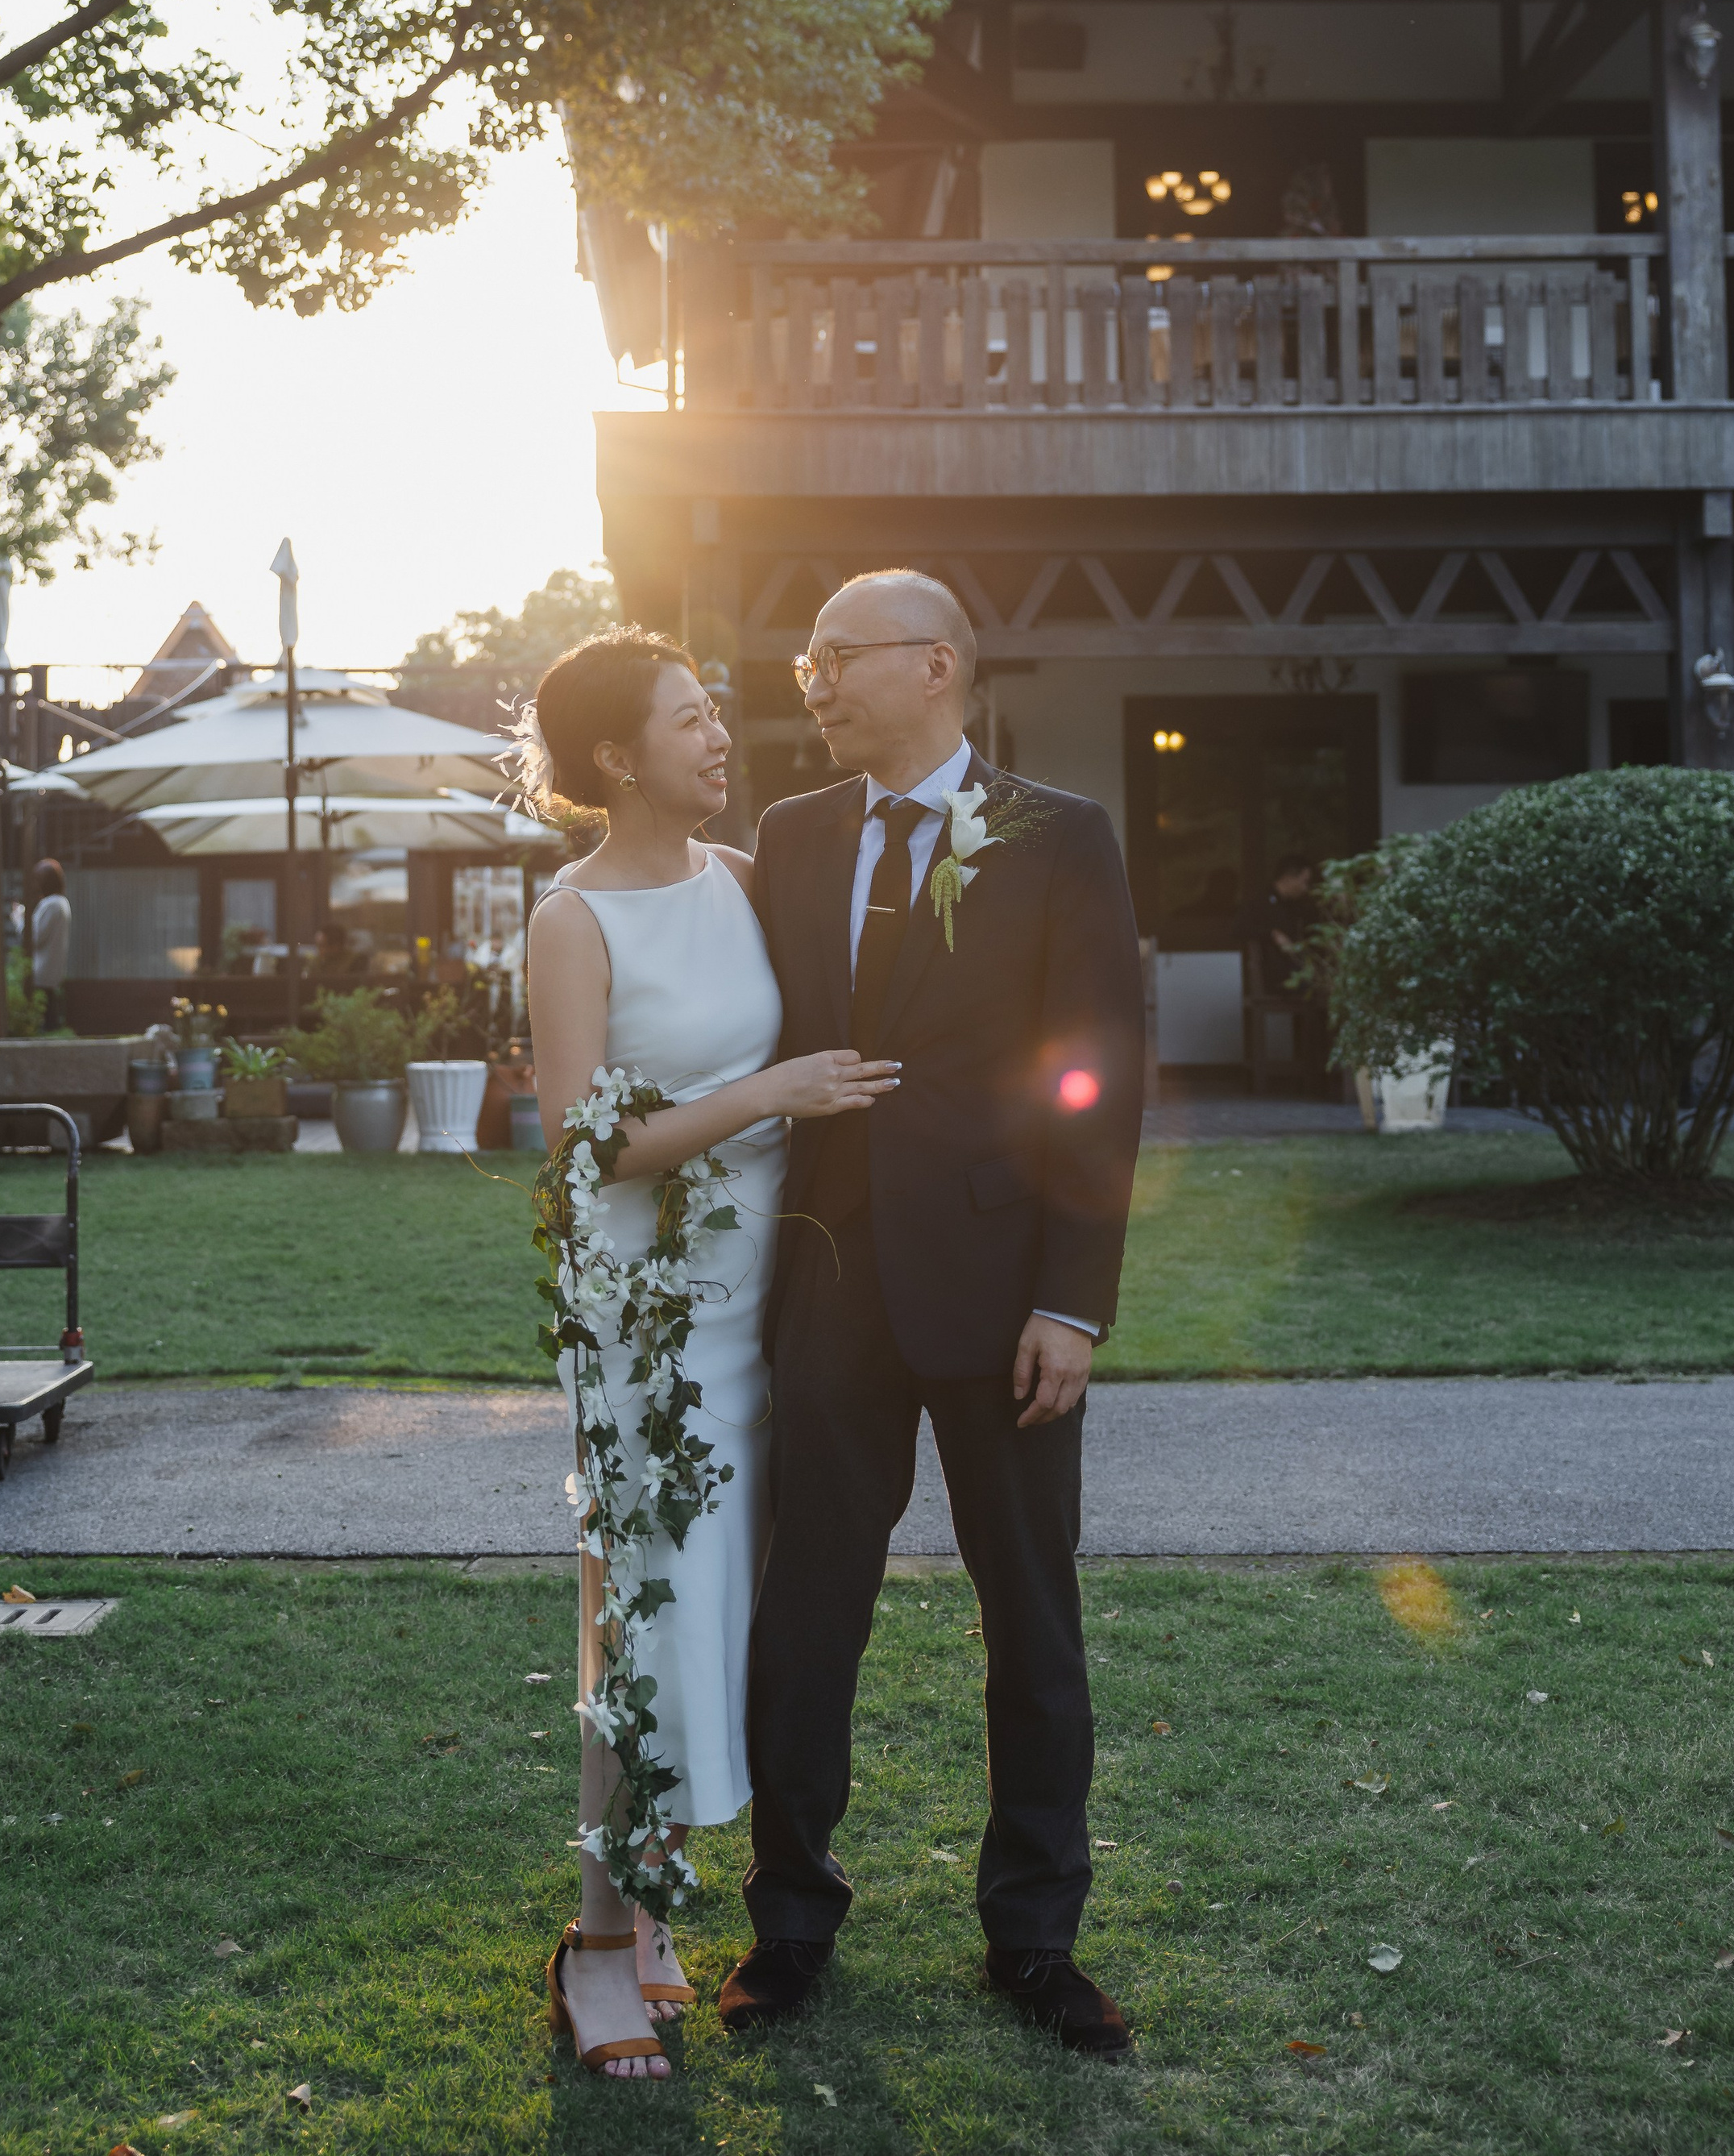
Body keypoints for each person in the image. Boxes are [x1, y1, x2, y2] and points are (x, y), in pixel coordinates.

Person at [721, 570, 1147, 2059]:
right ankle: (788, 1919)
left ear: (937, 665)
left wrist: (1071, 1304)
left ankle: (1034, 1936)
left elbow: (1098, 1070)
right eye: (806, 655)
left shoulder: (1058, 835)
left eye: (838, 656)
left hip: (1005, 1300)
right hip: (828, 1287)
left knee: (1032, 1621)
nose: (813, 682)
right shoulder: (786, 837)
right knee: (806, 1614)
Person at [522, 627, 899, 2083]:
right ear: (620, 757)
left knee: (719, 1624)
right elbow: (585, 1147)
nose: (721, 738)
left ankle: (660, 1909)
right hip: (642, 1328)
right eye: (691, 722)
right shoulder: (573, 920)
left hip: (757, 1315)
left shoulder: (742, 882)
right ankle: (598, 1949)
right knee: (642, 1624)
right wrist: (774, 1091)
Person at [1243, 853, 1317, 975]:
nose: (1306, 888)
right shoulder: (1260, 901)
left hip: (1296, 968)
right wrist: (1273, 934)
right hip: (1272, 973)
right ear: (1289, 878)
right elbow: (1240, 928)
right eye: (1305, 881)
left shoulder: (1294, 905)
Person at [28, 858, 71, 1030]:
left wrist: (19, 919)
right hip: (52, 970)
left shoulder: (51, 904)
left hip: (42, 972)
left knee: (44, 1021)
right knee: (50, 1019)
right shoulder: (61, 902)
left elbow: (34, 938)